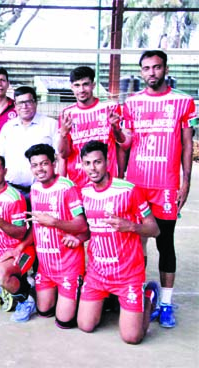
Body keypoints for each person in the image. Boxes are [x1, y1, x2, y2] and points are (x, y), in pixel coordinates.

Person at [122, 50, 197, 328]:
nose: (151, 72)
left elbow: (188, 144)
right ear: (140, 72)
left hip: (166, 185)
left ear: (165, 69)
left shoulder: (183, 102)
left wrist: (186, 181)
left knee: (166, 242)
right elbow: (125, 144)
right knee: (136, 242)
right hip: (136, 184)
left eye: (156, 67)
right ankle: (138, 295)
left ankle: (165, 303)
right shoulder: (132, 104)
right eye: (146, 68)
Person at [77, 140, 160, 344]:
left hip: (128, 273)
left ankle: (148, 297)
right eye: (87, 163)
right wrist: (77, 237)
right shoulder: (84, 192)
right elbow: (90, 229)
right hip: (97, 272)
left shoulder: (129, 190)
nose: (92, 168)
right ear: (82, 164)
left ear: (107, 162)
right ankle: (109, 305)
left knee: (132, 337)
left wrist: (131, 226)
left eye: (97, 162)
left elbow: (155, 229)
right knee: (85, 325)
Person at [24, 143, 89, 327]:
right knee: (44, 312)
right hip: (45, 267)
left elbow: (82, 225)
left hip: (68, 266)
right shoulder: (35, 188)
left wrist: (53, 222)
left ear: (53, 163)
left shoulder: (67, 188)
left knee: (64, 321)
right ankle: (61, 295)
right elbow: (36, 226)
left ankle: (86, 294)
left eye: (44, 163)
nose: (40, 169)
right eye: (35, 165)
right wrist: (21, 247)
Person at [0, 155, 33, 321]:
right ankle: (24, 282)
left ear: (5, 171)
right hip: (0, 255)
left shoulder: (14, 197)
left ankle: (26, 298)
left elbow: (20, 233)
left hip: (22, 252)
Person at [58, 66, 125, 187]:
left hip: (108, 179)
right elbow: (63, 154)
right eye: (77, 85)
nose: (81, 89)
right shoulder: (66, 114)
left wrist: (120, 175)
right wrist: (63, 134)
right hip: (78, 182)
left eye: (85, 84)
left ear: (93, 85)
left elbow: (121, 144)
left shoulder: (110, 108)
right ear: (71, 87)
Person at [0, 86, 59, 203]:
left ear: (35, 103)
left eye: (28, 102)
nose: (24, 106)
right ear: (15, 105)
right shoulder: (8, 127)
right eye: (20, 103)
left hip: (43, 190)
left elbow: (60, 158)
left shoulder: (51, 125)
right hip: (12, 191)